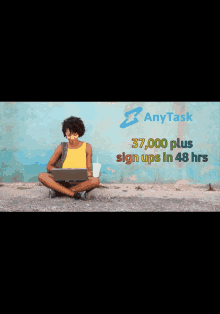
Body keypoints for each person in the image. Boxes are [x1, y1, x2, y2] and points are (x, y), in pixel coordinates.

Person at [38, 116, 100, 199]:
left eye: (75, 135)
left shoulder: (87, 147)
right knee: (42, 176)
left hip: (79, 182)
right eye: (69, 135)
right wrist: (59, 172)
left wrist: (91, 173)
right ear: (65, 134)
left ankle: (59, 192)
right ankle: (74, 194)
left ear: (80, 132)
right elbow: (49, 166)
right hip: (62, 181)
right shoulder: (62, 147)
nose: (72, 138)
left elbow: (88, 169)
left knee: (95, 181)